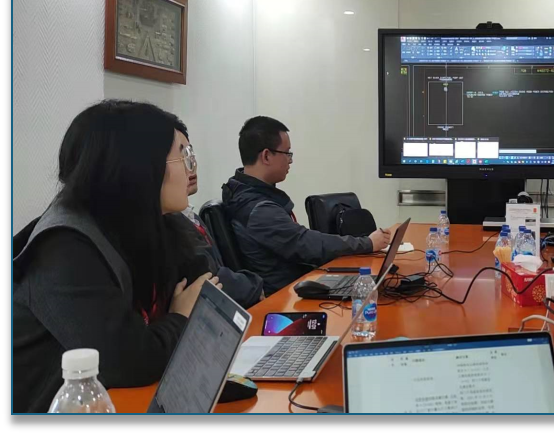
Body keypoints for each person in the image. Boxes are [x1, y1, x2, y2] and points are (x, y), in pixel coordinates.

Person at [12, 100, 220, 412]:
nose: (191, 169)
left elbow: (203, 282)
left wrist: (184, 313)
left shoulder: (145, 221)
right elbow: (129, 361)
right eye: (182, 156)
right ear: (140, 166)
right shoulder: (64, 248)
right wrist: (180, 317)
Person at [222, 116, 392, 294]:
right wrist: (368, 243)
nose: (290, 160)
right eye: (287, 153)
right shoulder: (258, 209)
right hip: (285, 296)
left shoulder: (244, 194)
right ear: (266, 156)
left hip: (296, 285)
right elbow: (307, 243)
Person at [171, 132, 265, 308]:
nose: (191, 167)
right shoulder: (170, 225)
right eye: (180, 157)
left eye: (190, 154)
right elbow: (210, 277)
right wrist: (255, 286)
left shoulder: (190, 215)